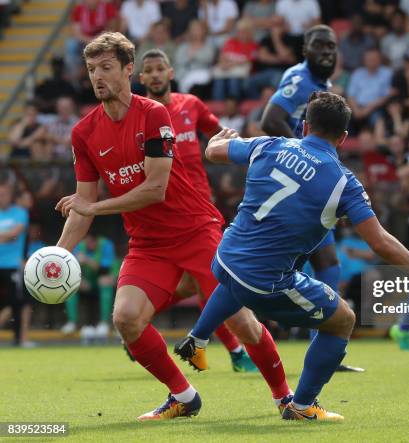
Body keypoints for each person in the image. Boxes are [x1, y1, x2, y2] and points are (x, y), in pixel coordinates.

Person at [54, 32, 290, 420]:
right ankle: (183, 395)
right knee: (126, 319)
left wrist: (93, 205)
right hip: (148, 244)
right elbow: (82, 207)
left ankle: (286, 398)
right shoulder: (83, 133)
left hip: (197, 230)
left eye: (106, 68)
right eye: (92, 69)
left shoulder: (154, 114)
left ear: (129, 70)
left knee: (241, 322)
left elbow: (155, 189)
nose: (97, 76)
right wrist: (59, 255)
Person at [174, 92, 409, 420]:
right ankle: (301, 407)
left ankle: (198, 338)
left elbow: (214, 152)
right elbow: (380, 242)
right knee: (343, 319)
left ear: (304, 126)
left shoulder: (269, 144)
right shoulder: (345, 183)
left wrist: (217, 139)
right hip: (267, 281)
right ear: (343, 138)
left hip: (225, 257)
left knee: (240, 276)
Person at [139, 47, 257, 373]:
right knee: (209, 280)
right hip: (161, 212)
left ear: (171, 72)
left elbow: (219, 136)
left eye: (160, 68)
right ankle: (235, 352)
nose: (155, 74)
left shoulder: (191, 105)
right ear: (141, 78)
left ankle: (139, 318)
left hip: (201, 210)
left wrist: (238, 146)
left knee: (203, 281)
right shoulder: (141, 116)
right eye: (148, 70)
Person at [260, 24, 362, 372]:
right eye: (318, 45)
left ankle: (327, 348)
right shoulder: (299, 78)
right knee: (294, 265)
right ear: (305, 49)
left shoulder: (325, 87)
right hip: (294, 184)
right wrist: (303, 158)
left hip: (304, 185)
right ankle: (222, 329)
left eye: (331, 46)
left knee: (326, 262)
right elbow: (269, 118)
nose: (326, 52)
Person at [60, 232, 116, 338]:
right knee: (71, 285)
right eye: (87, 241)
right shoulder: (80, 246)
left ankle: (104, 323)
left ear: (97, 240)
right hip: (86, 281)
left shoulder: (106, 245)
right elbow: (70, 269)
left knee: (104, 282)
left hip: (103, 280)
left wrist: (87, 260)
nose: (89, 245)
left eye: (92, 242)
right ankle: (72, 322)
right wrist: (79, 279)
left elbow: (105, 270)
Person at [0, 183, 32, 348]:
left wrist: (7, 236)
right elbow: (9, 235)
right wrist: (6, 236)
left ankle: (19, 338)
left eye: (4, 194)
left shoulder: (20, 213)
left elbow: (15, 233)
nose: (1, 197)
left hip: (13, 265)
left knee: (16, 302)